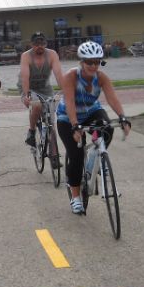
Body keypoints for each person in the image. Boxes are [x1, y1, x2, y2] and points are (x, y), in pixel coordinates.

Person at [56, 41, 131, 214]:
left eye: (97, 62)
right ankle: (75, 197)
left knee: (107, 128)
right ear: (81, 62)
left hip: (91, 111)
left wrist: (123, 117)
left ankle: (98, 155)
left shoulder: (101, 77)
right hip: (68, 117)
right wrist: (75, 126)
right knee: (75, 155)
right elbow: (69, 102)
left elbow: (112, 98)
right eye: (89, 62)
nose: (93, 65)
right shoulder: (71, 77)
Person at [20, 31, 65, 148]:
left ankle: (54, 156)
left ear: (45, 44)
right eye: (36, 44)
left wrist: (66, 90)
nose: (39, 46)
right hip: (29, 88)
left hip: (45, 89)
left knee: (51, 121)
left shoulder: (52, 54)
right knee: (36, 106)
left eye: (42, 43)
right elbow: (25, 78)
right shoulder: (26, 56)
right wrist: (26, 95)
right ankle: (32, 131)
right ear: (31, 44)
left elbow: (59, 74)